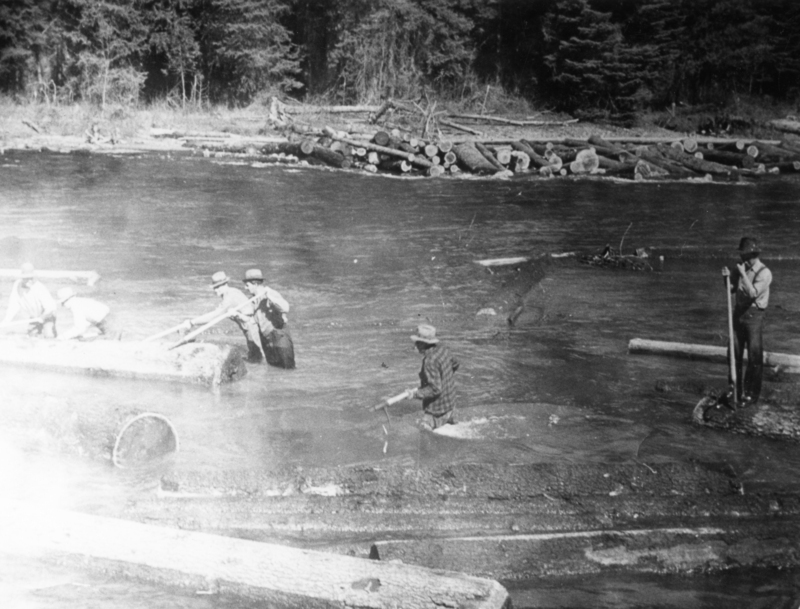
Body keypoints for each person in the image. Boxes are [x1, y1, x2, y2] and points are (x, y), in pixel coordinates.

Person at [722, 237, 772, 406]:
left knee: (754, 356)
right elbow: (731, 289)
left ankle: (751, 395)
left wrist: (743, 274)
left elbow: (753, 294)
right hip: (739, 314)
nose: (742, 258)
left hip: (754, 316)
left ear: (752, 255)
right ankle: (734, 389)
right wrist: (727, 278)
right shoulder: (740, 268)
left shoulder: (765, 273)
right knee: (733, 352)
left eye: (744, 255)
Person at [184, 271, 265, 362]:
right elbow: (217, 312)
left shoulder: (230, 297)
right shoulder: (230, 293)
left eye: (218, 287)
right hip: (248, 326)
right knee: (254, 357)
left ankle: (264, 373)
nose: (215, 290)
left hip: (251, 326)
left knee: (259, 358)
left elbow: (213, 316)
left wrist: (192, 322)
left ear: (225, 285)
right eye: (215, 287)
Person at [408, 324, 460, 429]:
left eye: (417, 342)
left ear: (423, 344)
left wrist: (415, 394)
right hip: (451, 406)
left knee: (424, 439)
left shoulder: (429, 361)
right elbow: (456, 363)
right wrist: (444, 377)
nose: (415, 345)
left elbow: (435, 389)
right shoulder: (443, 349)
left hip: (436, 412)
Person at [242, 268, 295, 369]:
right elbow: (251, 321)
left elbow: (286, 308)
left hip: (279, 337)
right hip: (266, 340)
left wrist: (270, 296)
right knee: (273, 369)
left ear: (255, 284)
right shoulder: (253, 300)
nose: (245, 288)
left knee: (287, 370)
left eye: (247, 285)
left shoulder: (271, 293)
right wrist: (235, 314)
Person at [2, 262, 57, 337]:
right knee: (32, 337)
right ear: (22, 278)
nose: (30, 280)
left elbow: (51, 308)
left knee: (49, 336)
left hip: (47, 315)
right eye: (27, 278)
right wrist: (6, 320)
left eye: (31, 278)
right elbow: (14, 305)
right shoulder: (17, 285)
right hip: (34, 317)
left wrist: (42, 317)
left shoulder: (39, 288)